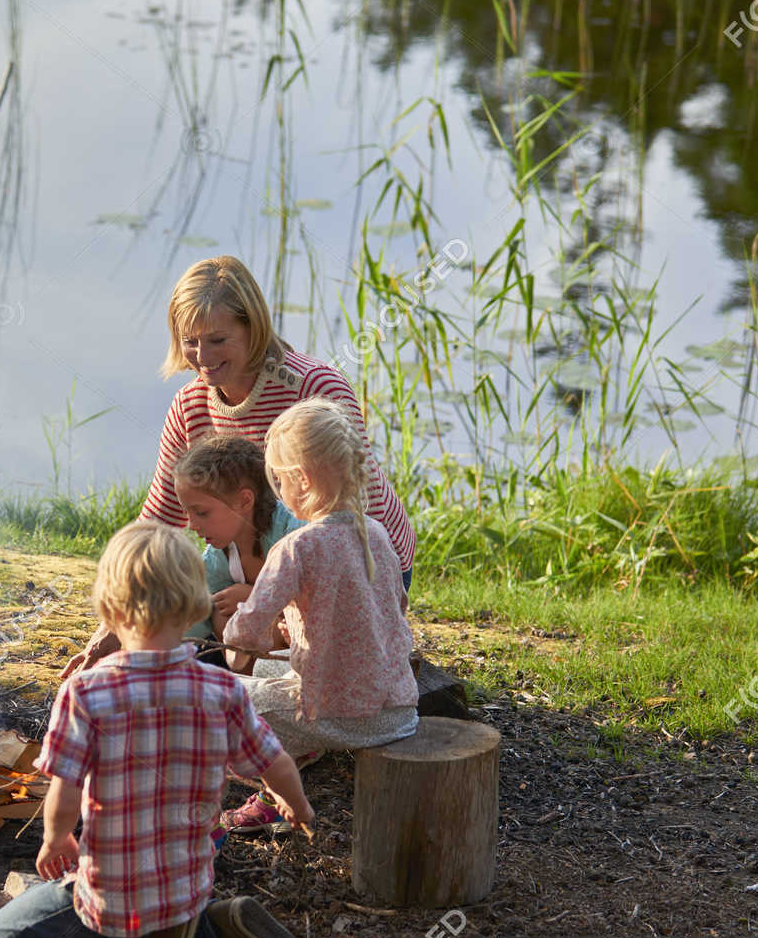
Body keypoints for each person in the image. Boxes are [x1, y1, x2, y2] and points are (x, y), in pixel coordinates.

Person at [60, 256, 466, 717]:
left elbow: (355, 517)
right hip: (260, 563)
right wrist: (116, 624)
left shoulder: (313, 386)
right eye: (190, 342)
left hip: (362, 566)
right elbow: (159, 521)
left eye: (217, 340)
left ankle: (308, 706)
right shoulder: (191, 405)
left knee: (254, 661)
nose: (203, 358)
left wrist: (265, 599)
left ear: (253, 328)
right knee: (190, 632)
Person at [0, 522, 315, 938]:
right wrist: (296, 805)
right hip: (187, 889)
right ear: (194, 603)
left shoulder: (87, 692)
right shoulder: (221, 690)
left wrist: (56, 839)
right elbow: (274, 762)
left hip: (110, 898)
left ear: (111, 607)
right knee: (162, 900)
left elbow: (65, 788)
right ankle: (198, 927)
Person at [217, 399, 420, 835]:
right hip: (399, 707)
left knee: (216, 698)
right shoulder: (378, 533)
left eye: (279, 481)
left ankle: (265, 794)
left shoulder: (297, 547)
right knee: (276, 667)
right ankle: (292, 761)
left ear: (302, 480)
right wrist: (298, 628)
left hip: (346, 717)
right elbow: (387, 614)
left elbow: (246, 634)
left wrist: (232, 644)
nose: (278, 493)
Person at [171, 436, 303, 673]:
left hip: (309, 649)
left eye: (201, 512)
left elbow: (324, 604)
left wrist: (255, 598)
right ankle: (246, 686)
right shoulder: (219, 555)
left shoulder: (295, 537)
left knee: (236, 608)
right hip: (261, 657)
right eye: (187, 512)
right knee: (220, 610)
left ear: (244, 501)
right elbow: (192, 614)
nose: (191, 525)